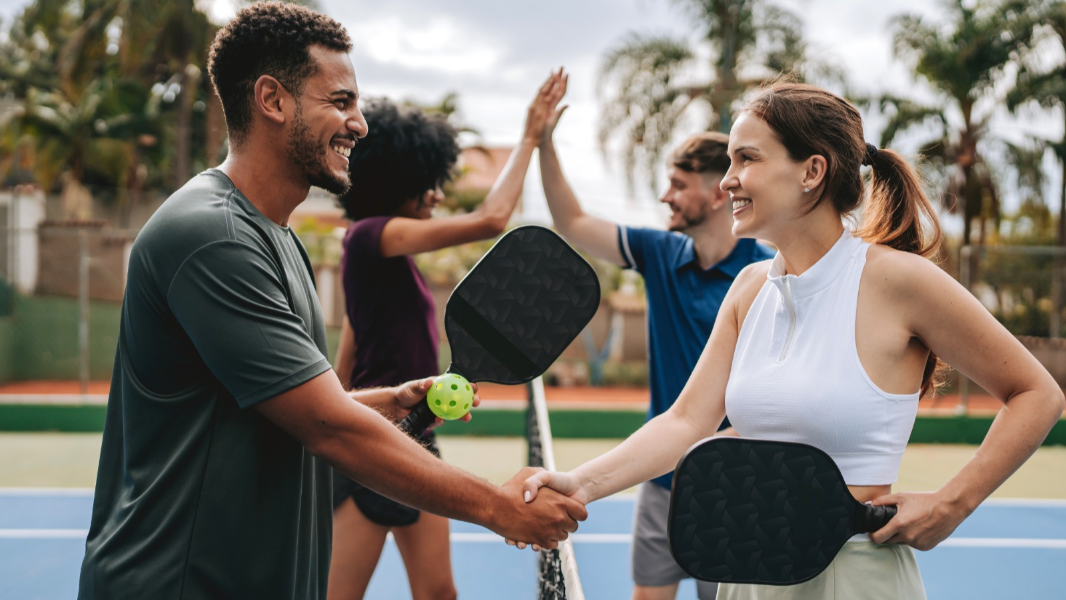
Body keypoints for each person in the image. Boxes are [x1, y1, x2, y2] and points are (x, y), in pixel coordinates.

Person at [77, 4, 585, 600]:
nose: (359, 124)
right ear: (273, 100)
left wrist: (384, 402)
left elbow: (284, 406)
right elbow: (327, 426)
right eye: (340, 101)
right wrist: (498, 507)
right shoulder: (213, 236)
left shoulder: (278, 238)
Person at [518, 81, 1065, 599]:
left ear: (812, 171)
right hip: (749, 574)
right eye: (729, 160)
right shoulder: (750, 287)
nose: (727, 180)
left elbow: (1037, 394)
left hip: (853, 575)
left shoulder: (901, 281)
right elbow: (685, 422)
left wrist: (952, 503)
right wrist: (578, 483)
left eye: (747, 159)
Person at [328, 73, 566, 600]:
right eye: (426, 181)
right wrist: (529, 137)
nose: (436, 193)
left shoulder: (383, 260)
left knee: (438, 594)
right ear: (394, 181)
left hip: (416, 436)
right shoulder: (371, 235)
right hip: (376, 443)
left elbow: (348, 357)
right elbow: (492, 218)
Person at [535, 72, 773, 600]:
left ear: (718, 193)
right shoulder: (661, 254)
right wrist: (545, 143)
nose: (665, 197)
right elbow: (571, 220)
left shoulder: (769, 273)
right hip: (662, 480)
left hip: (736, 489)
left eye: (678, 185)